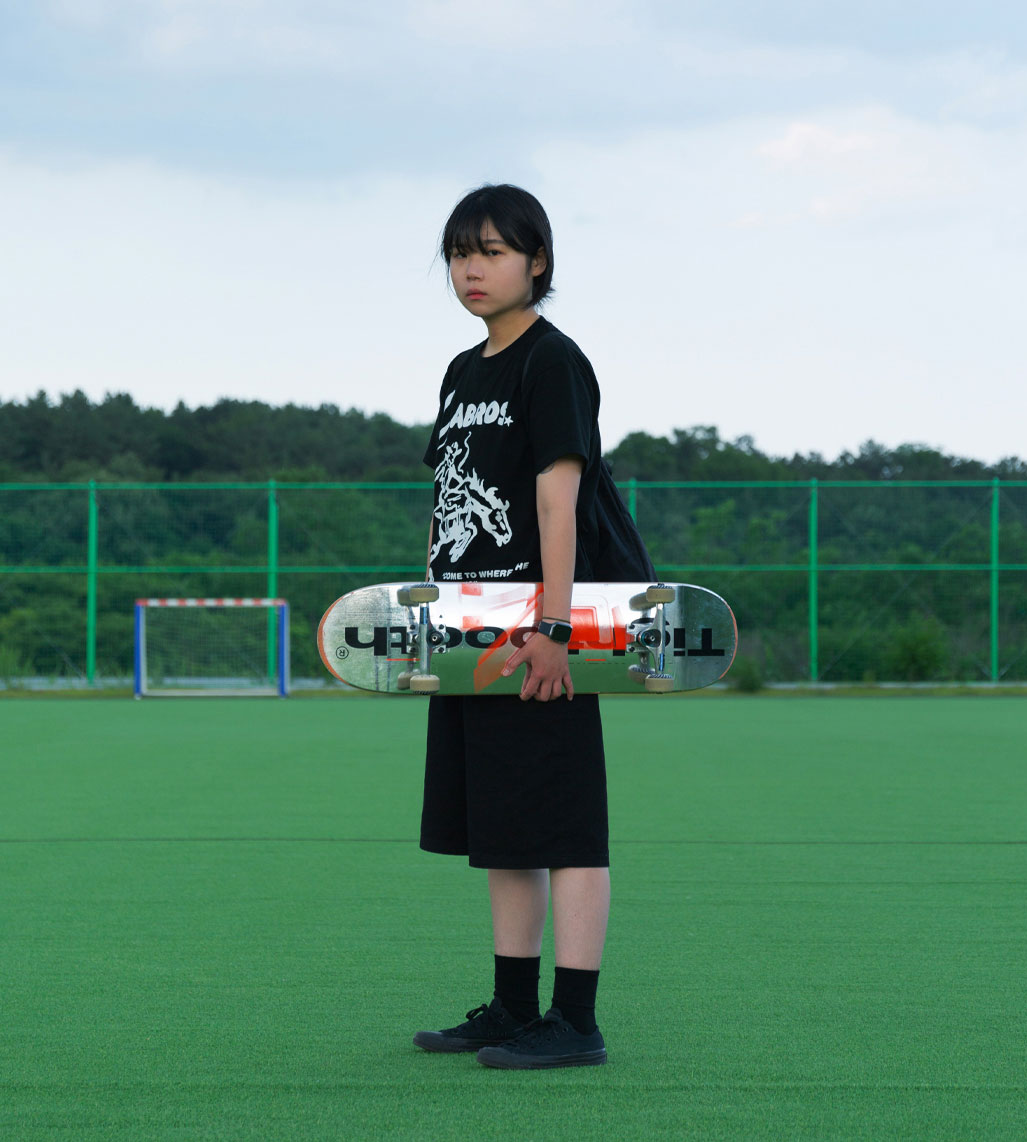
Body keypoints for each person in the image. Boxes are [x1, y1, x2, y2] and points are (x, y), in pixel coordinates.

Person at [411, 184, 611, 1069]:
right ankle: (511, 1006)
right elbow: (447, 495)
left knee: (563, 824)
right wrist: (431, 617)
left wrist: (557, 630)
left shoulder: (551, 361)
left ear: (538, 261)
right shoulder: (463, 370)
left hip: (540, 630)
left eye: (492, 251)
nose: (472, 268)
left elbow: (556, 501)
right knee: (501, 825)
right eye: (460, 252)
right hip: (470, 632)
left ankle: (574, 1021)